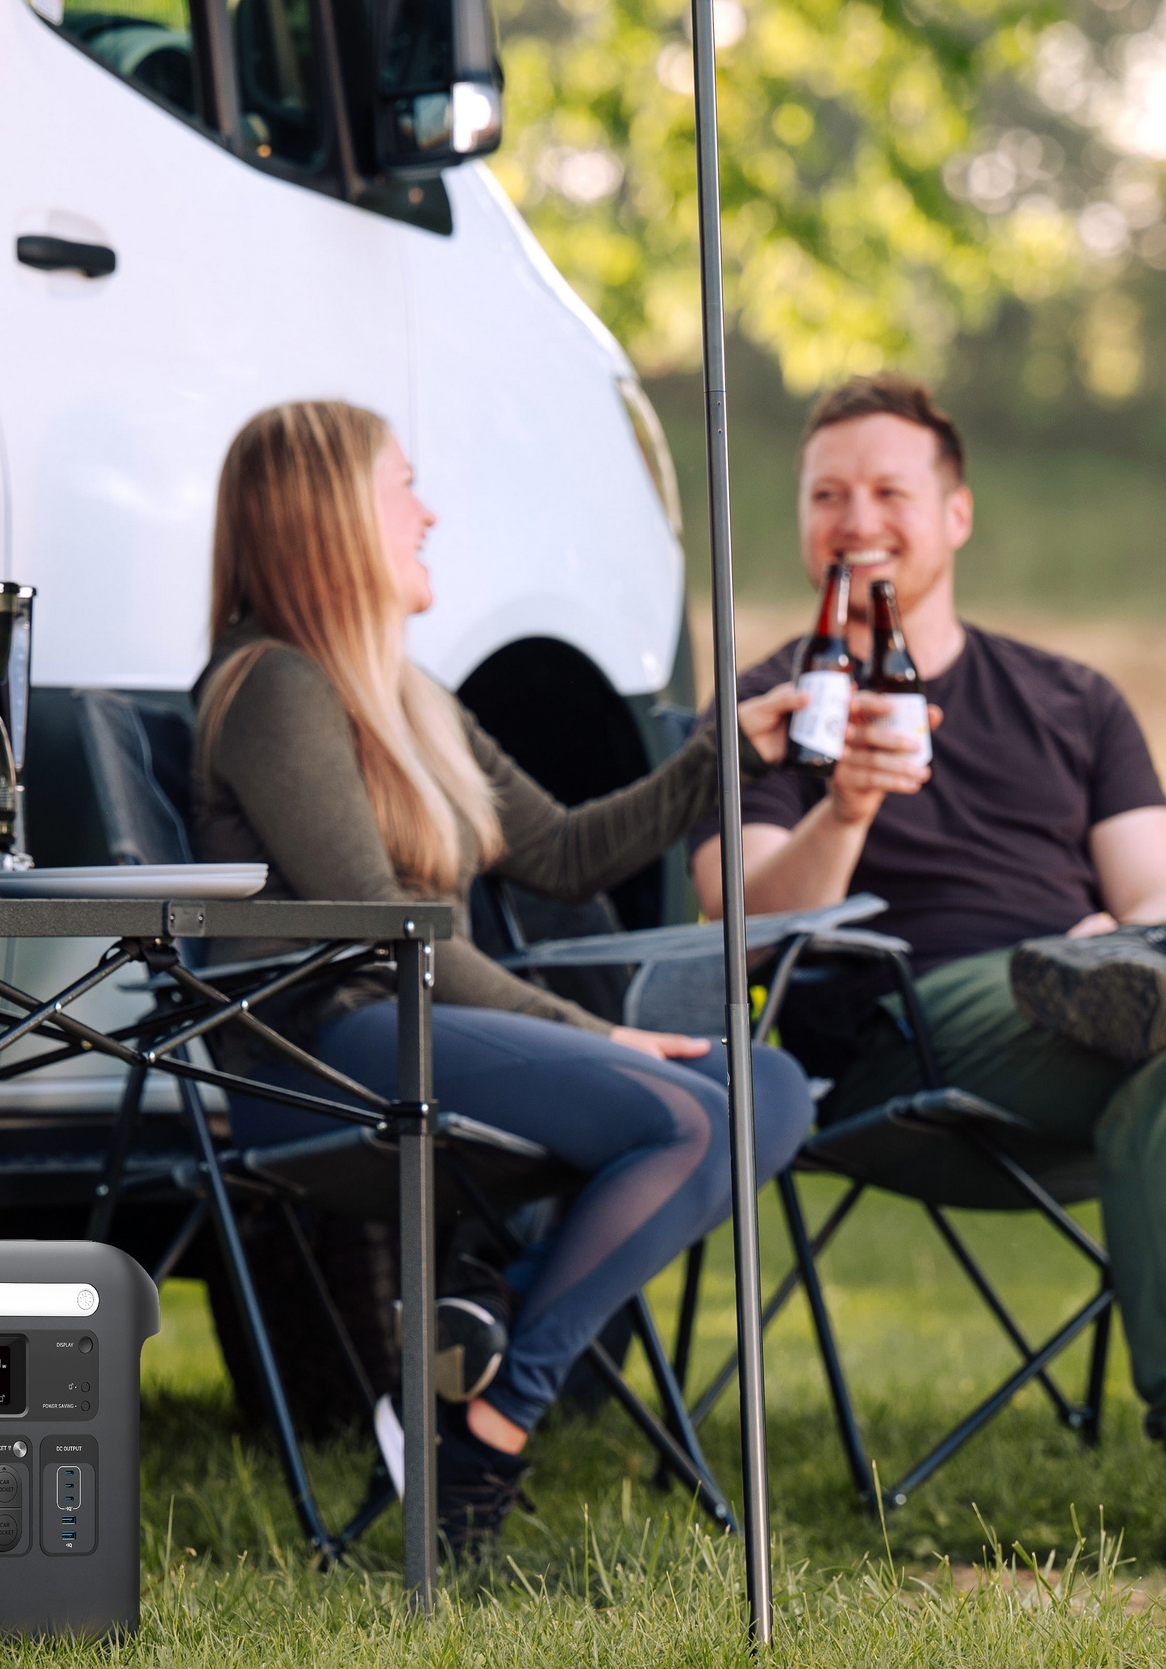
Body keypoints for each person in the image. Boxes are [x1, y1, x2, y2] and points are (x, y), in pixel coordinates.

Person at [689, 372, 1166, 1584]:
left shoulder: (1072, 698)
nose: (857, 518)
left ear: (957, 513)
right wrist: (843, 805)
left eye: (890, 489)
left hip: (1108, 1009)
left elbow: (1164, 882)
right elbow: (742, 928)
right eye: (826, 493)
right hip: (911, 1038)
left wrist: (1149, 937)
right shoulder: (764, 704)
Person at [190, 398, 816, 1558]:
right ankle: (489, 1425)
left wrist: (730, 746)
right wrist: (597, 1035)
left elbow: (570, 850)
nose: (428, 512)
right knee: (684, 1118)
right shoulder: (273, 687)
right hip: (326, 1052)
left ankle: (471, 1370)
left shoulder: (414, 696)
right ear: (328, 517)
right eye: (403, 486)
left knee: (770, 1092)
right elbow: (384, 930)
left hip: (421, 1029)